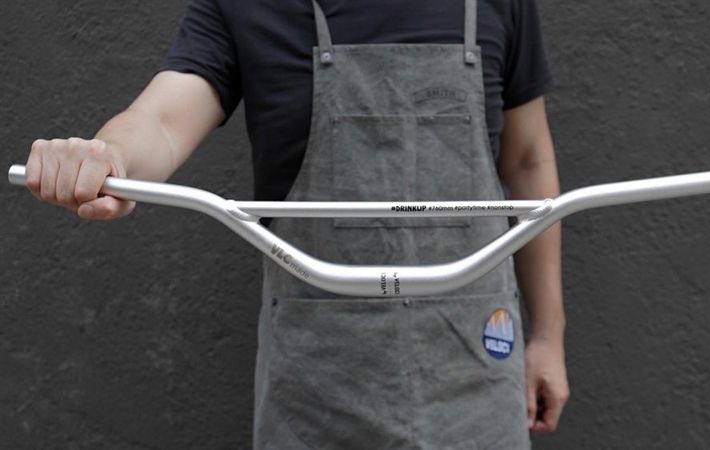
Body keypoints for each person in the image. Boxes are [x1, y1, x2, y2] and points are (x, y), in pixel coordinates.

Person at [23, 0, 568, 448]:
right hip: (316, 394)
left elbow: (527, 161)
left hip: (477, 367)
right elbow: (161, 121)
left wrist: (548, 334)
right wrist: (108, 157)